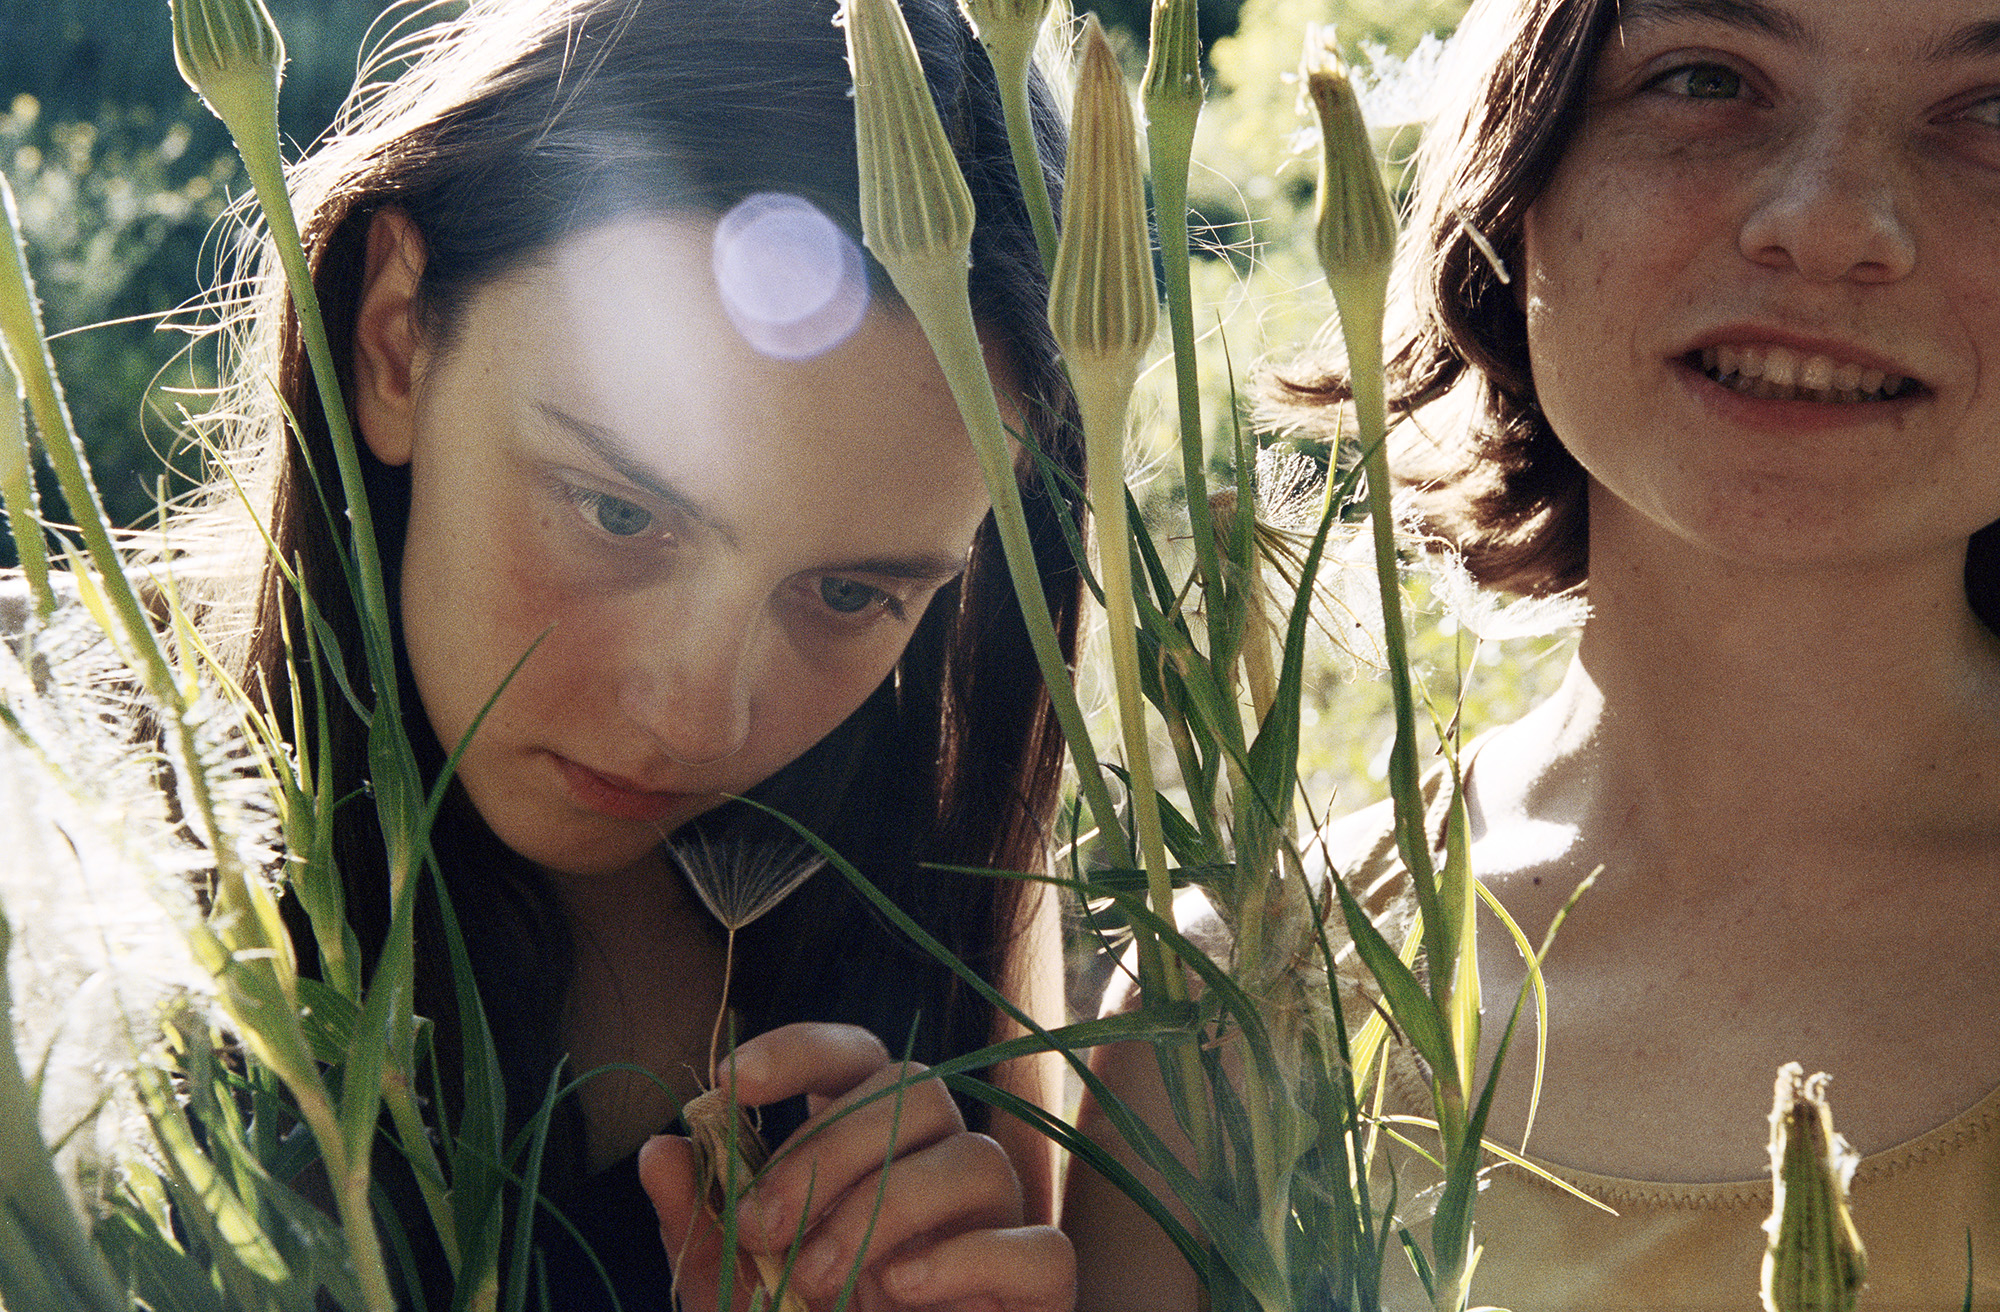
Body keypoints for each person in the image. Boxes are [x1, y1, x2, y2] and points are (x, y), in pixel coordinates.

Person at [1065, 0, 2000, 1306]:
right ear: (1516, 176)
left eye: (1992, 113)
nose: (1830, 221)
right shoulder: (1238, 1011)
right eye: (1707, 78)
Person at [182, 0, 1084, 1306]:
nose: (698, 719)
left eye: (848, 593)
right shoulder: (63, 843)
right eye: (618, 511)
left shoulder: (948, 866)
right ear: (394, 338)